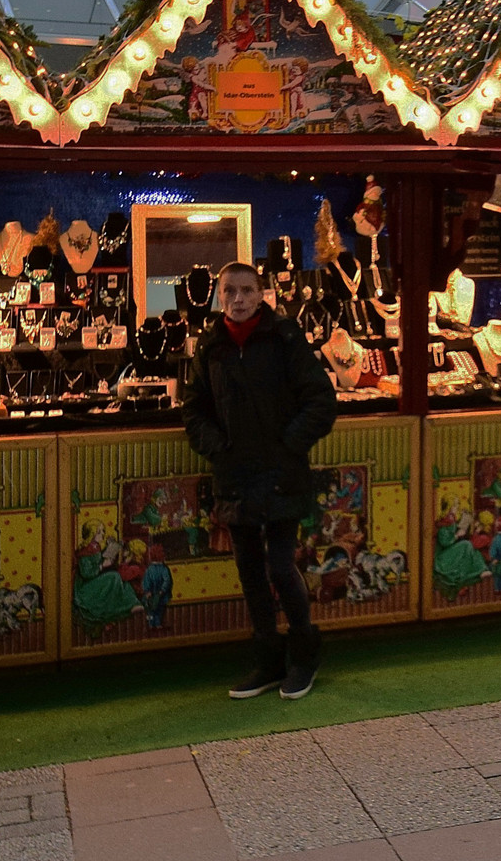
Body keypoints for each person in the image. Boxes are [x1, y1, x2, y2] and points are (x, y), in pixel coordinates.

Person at [182, 262, 338, 700]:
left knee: (280, 567)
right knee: (250, 570)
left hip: (282, 472)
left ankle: (304, 655)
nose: (239, 298)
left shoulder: (285, 338)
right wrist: (218, 447)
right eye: (230, 290)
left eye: (247, 290)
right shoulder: (211, 346)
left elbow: (321, 401)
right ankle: (268, 661)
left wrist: (289, 446)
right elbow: (194, 410)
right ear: (219, 294)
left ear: (261, 293)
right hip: (234, 473)